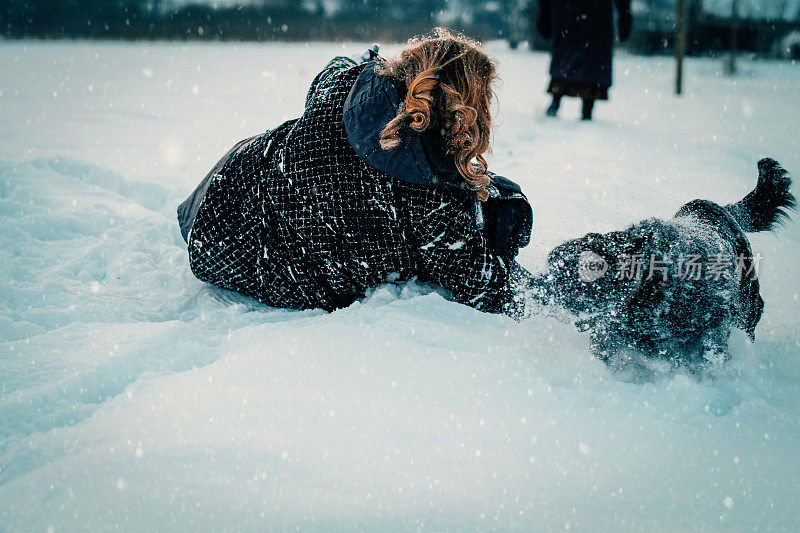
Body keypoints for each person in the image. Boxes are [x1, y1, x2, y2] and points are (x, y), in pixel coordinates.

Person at [178, 28, 533, 316]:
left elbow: (331, 70)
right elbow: (480, 285)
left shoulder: (350, 85)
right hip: (238, 258)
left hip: (220, 192)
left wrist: (368, 62)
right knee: (492, 203)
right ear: (464, 109)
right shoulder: (431, 195)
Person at [537, 0, 632, 120]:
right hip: (581, 14)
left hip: (579, 14)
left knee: (576, 56)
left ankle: (567, 102)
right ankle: (576, 104)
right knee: (582, 57)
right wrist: (625, 14)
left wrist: (544, 13)